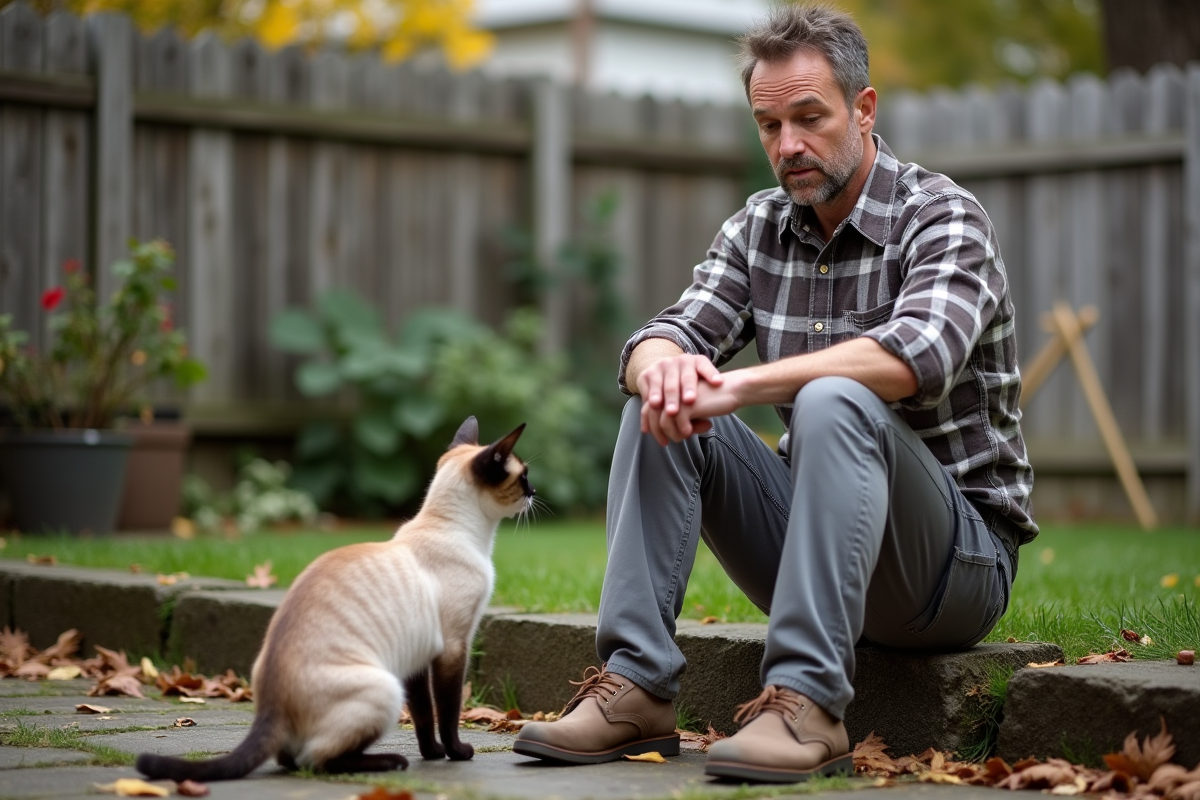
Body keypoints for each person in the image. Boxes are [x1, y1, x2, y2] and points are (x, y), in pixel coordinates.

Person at [513, 3, 1036, 784]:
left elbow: (913, 358)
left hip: (952, 566)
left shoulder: (943, 216)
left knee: (833, 394)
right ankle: (637, 686)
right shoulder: (759, 227)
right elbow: (662, 334)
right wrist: (667, 370)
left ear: (863, 109)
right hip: (817, 548)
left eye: (809, 117)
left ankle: (808, 703)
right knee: (662, 403)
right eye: (768, 125)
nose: (787, 145)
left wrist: (737, 382)